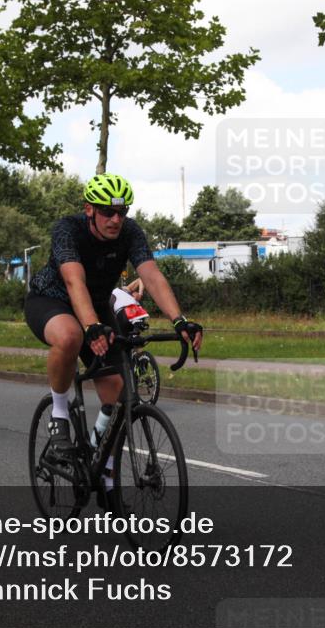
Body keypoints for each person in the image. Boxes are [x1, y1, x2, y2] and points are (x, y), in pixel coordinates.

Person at [24, 173, 203, 485]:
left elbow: (152, 276)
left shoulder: (130, 232)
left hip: (96, 305)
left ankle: (103, 467)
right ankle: (59, 416)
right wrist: (92, 326)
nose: (116, 219)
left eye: (122, 212)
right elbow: (73, 281)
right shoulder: (69, 229)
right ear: (90, 209)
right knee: (70, 336)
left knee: (117, 386)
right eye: (107, 212)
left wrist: (180, 320)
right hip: (52, 300)